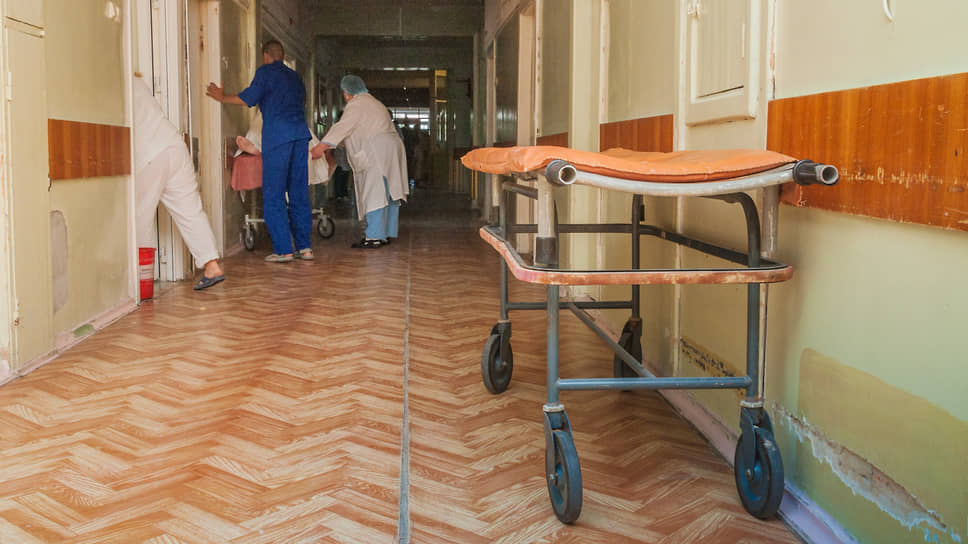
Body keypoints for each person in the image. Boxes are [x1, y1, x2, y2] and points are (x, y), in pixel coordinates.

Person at [206, 39, 313, 263]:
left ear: (266, 56)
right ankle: (305, 248)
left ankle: (284, 249)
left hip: (278, 137)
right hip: (300, 136)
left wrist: (222, 97)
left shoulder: (265, 72)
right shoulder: (295, 77)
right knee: (298, 193)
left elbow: (248, 98)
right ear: (282, 56)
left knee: (274, 194)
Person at [132, 75, 225, 291]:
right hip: (174, 147)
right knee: (191, 211)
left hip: (150, 153)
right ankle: (212, 266)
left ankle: (139, 283)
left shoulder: (116, 83)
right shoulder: (137, 81)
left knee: (139, 217)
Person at [311, 75, 409, 249]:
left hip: (376, 151)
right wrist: (330, 145)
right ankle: (385, 233)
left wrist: (320, 148)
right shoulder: (374, 103)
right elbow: (354, 132)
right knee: (389, 192)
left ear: (347, 92)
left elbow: (342, 128)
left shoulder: (357, 104)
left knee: (375, 193)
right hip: (390, 149)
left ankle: (374, 236)